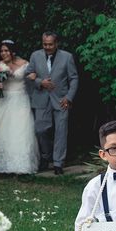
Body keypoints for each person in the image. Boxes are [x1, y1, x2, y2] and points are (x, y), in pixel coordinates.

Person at [25, 31, 79, 175]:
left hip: (62, 100)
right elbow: (28, 75)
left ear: (56, 43)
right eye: (45, 44)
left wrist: (69, 97)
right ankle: (45, 157)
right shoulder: (35, 56)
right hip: (41, 98)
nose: (47, 47)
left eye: (50, 44)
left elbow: (73, 78)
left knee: (61, 131)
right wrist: (39, 82)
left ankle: (58, 163)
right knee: (40, 130)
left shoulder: (67, 57)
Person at [0, 39, 39, 174]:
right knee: (1, 129)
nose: (3, 53)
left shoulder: (24, 64)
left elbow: (31, 76)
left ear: (12, 51)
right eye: (1, 51)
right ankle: (1, 163)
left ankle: (21, 165)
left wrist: (33, 76)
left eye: (6, 50)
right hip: (3, 100)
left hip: (20, 100)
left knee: (20, 129)